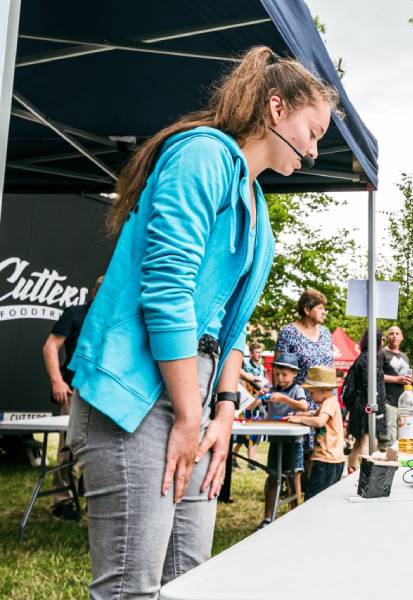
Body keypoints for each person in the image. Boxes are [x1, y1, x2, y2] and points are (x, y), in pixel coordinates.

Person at [65, 46, 337, 598]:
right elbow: (166, 290)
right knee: (130, 588)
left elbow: (232, 328)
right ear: (276, 109)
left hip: (199, 399)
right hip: (136, 399)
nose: (313, 152)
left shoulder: (258, 210)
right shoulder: (202, 155)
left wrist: (223, 413)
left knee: (190, 580)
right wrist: (189, 415)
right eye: (312, 132)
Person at [41, 275, 102, 521]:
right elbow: (50, 346)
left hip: (104, 392)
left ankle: (93, 498)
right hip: (74, 388)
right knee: (69, 446)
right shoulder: (75, 313)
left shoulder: (113, 319)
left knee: (99, 447)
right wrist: (57, 380)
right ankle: (62, 501)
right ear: (95, 293)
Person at [276, 288, 334, 470]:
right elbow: (279, 369)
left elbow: (330, 367)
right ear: (307, 310)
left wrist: (333, 399)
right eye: (320, 308)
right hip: (298, 399)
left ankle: (312, 492)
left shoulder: (325, 333)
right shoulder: (288, 332)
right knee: (294, 457)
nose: (325, 311)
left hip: (322, 401)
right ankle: (291, 488)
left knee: (319, 453)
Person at [259, 353, 309, 527]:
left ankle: (296, 515)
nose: (280, 378)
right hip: (276, 439)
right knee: (273, 476)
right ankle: (267, 518)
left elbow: (304, 406)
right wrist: (260, 395)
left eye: (284, 374)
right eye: (277, 374)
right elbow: (252, 404)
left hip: (293, 441)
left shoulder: (297, 389)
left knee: (293, 478)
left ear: (294, 373)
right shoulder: (271, 389)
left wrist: (284, 398)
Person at [287, 366, 345, 499]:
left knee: (313, 498)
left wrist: (300, 419)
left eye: (311, 392)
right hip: (333, 460)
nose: (310, 396)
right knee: (325, 498)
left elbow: (319, 421)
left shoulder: (329, 403)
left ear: (323, 389)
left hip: (326, 460)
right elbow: (313, 413)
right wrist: (301, 414)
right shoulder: (330, 402)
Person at [344, 331, 387, 472]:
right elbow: (370, 385)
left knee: (359, 441)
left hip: (360, 405)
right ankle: (362, 474)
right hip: (366, 405)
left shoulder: (363, 357)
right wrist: (379, 408)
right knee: (367, 440)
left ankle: (352, 470)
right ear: (378, 341)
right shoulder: (369, 358)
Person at [233, 342, 267, 468]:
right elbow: (239, 380)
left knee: (255, 434)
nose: (259, 355)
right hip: (246, 402)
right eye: (257, 352)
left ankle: (250, 461)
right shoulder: (244, 365)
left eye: (260, 352)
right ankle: (243, 460)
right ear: (251, 353)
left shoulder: (262, 368)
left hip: (257, 403)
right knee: (244, 436)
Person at [381, 325, 413, 445]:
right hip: (387, 401)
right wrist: (396, 379)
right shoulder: (382, 353)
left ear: (402, 338)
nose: (394, 336)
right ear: (387, 337)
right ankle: (386, 463)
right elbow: (376, 376)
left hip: (403, 403)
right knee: (389, 439)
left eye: (397, 333)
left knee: (404, 437)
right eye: (391, 333)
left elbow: (406, 377)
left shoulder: (404, 356)